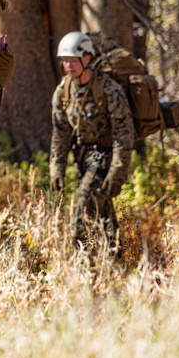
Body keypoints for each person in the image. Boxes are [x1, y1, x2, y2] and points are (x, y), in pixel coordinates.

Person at [49, 31, 135, 251]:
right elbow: (60, 133)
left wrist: (118, 170)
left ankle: (79, 255)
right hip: (82, 158)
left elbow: (123, 133)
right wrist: (56, 168)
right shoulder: (63, 91)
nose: (68, 65)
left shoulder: (108, 89)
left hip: (105, 156)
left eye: (73, 59)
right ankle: (113, 256)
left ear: (87, 58)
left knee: (83, 200)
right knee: (102, 208)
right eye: (64, 60)